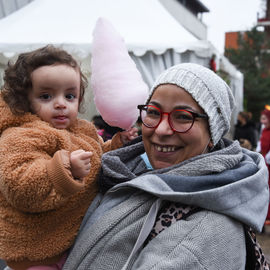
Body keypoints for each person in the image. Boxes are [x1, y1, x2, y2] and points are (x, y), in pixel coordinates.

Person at [63, 63, 269, 269]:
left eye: (183, 117)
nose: (161, 129)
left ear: (213, 133)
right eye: (153, 112)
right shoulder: (123, 172)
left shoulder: (206, 230)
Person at [0, 45, 137, 270]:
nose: (61, 103)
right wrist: (65, 170)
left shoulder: (81, 129)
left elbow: (94, 156)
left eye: (70, 95)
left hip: (68, 244)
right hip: (36, 254)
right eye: (46, 96)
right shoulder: (21, 134)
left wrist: (116, 145)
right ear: (24, 100)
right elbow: (19, 184)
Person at [257, 108, 270, 225]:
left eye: (264, 119)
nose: (262, 121)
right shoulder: (264, 130)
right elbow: (261, 144)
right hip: (265, 164)